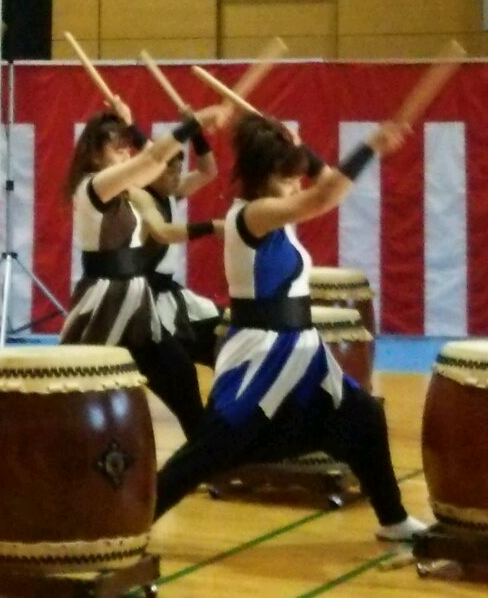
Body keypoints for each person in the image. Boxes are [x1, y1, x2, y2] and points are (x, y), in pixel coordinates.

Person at [153, 115, 427, 541]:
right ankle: (128, 520)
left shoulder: (274, 211)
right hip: (262, 353)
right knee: (210, 450)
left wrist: (300, 149)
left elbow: (325, 183)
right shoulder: (253, 215)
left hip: (299, 348)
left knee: (364, 417)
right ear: (263, 176)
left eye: (297, 178)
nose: (297, 186)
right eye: (287, 179)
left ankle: (393, 520)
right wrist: (371, 145)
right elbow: (324, 196)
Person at [58, 99, 230, 441]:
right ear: (95, 155)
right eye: (117, 148)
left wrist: (130, 122)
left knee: (181, 376)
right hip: (106, 303)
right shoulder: (94, 187)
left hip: (135, 302)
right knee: (80, 392)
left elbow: (156, 163)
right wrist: (195, 122)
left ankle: (209, 452)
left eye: (127, 148)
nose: (126, 153)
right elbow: (151, 160)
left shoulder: (126, 191)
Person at [128, 141, 225, 367]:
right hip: (146, 298)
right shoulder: (141, 199)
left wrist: (197, 129)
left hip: (169, 293)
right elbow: (163, 232)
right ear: (151, 171)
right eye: (169, 172)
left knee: (223, 329)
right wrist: (211, 227)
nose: (176, 178)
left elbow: (208, 171)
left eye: (178, 171)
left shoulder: (171, 194)